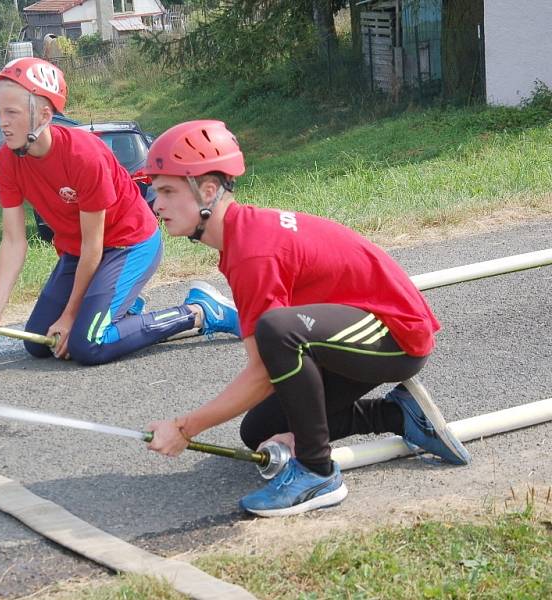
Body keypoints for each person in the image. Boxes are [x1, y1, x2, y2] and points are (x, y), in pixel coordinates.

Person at [143, 120, 471, 517]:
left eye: (166, 191)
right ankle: (397, 413)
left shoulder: (252, 252)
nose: (155, 204)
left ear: (208, 191)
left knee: (278, 332)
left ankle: (318, 474)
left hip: (396, 334)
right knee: (258, 431)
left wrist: (184, 427)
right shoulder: (240, 240)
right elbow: (263, 371)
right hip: (350, 336)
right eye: (154, 191)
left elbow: (265, 367)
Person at [0, 59, 242, 365]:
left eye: (12, 113)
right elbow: (13, 241)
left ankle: (199, 312)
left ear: (43, 115)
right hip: (79, 252)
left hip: (129, 245)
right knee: (39, 342)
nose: (2, 122)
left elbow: (94, 245)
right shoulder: (6, 162)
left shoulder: (83, 156)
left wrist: (71, 316)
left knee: (88, 344)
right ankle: (121, 308)